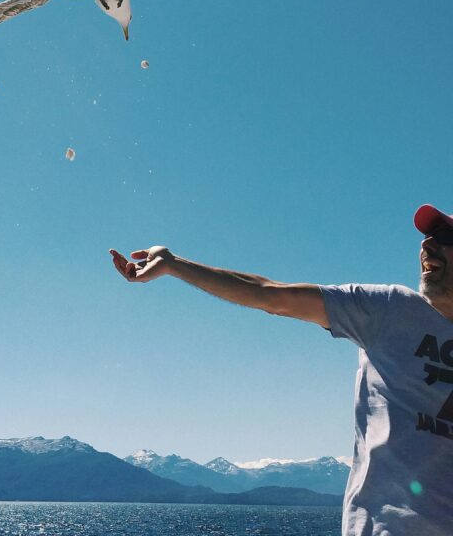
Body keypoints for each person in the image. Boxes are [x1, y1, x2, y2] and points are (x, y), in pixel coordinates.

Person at [110, 204, 453, 536]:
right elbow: (270, 294)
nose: (426, 243)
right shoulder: (390, 311)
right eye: (426, 236)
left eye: (443, 236)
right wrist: (173, 264)